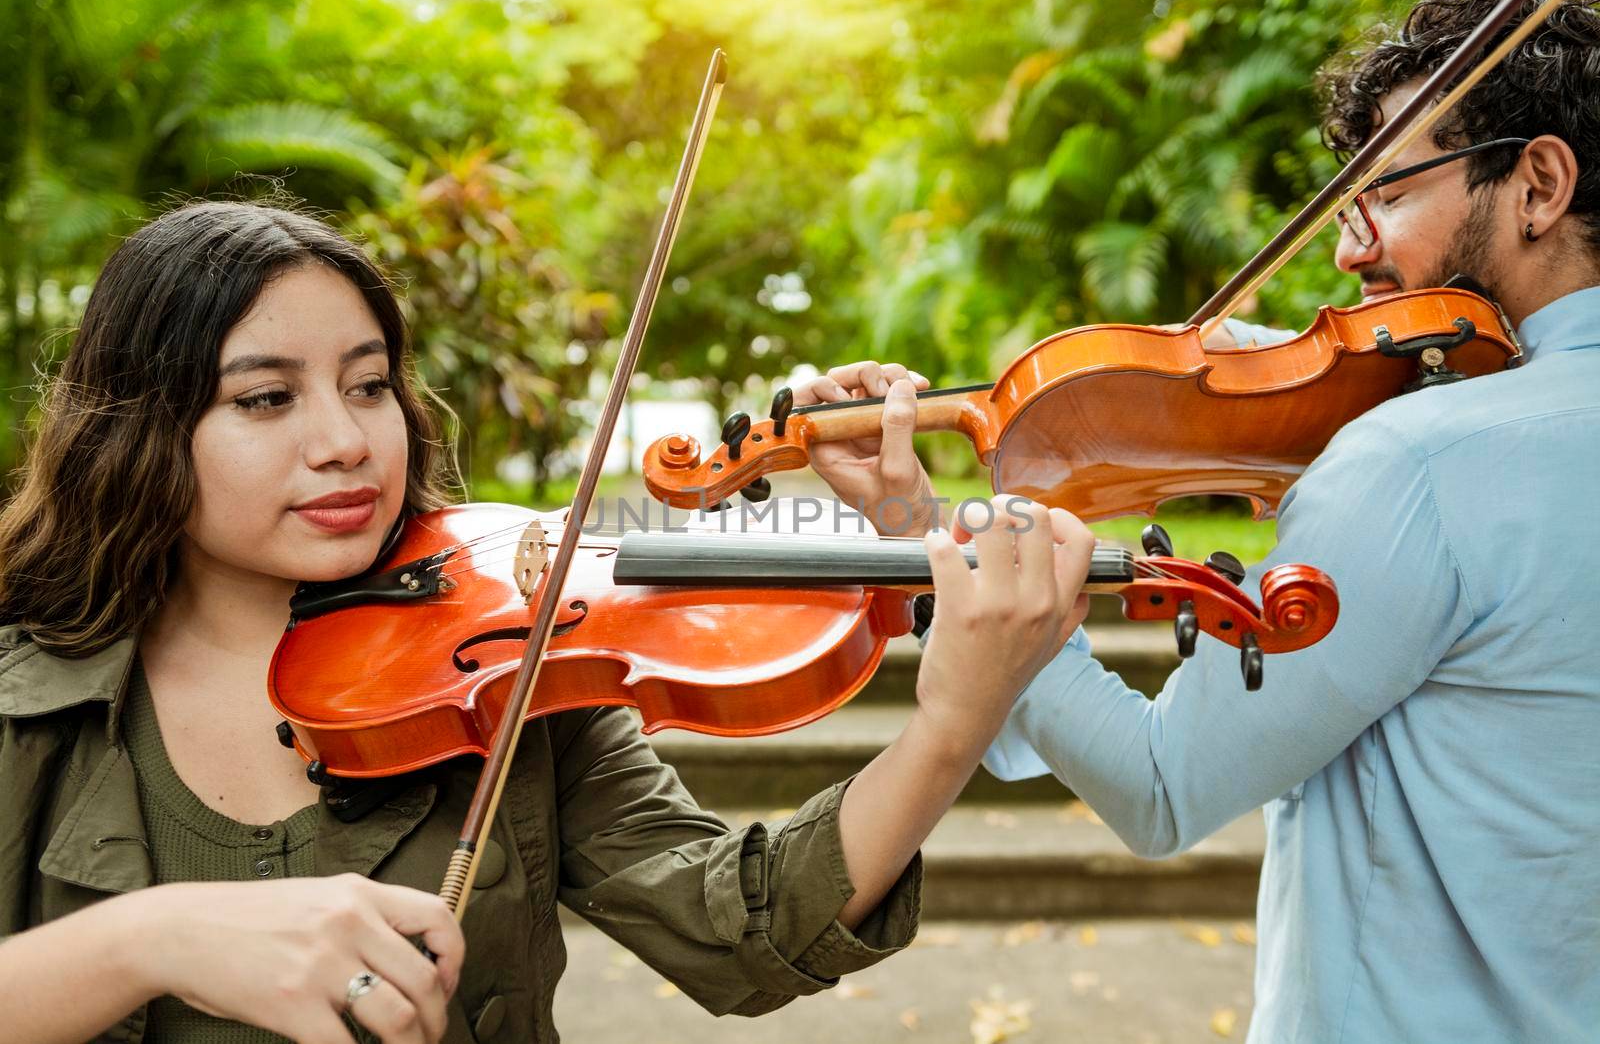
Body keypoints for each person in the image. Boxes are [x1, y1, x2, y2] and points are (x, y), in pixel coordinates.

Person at [0, 200, 1096, 1044]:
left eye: (369, 383)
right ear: (140, 426)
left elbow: (737, 932)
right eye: (266, 398)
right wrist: (152, 937)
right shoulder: (25, 701)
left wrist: (952, 723)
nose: (344, 440)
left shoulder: (507, 667)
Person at [799, 0, 1600, 1041]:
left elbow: (1162, 784)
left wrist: (920, 522)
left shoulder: (1418, 463)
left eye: (1386, 195)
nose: (1348, 252)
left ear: (1537, 183)